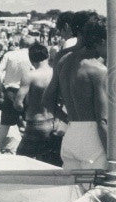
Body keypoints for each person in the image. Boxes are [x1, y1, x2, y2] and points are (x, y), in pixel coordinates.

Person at [44, 17, 108, 174]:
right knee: (98, 194)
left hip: (71, 133)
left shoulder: (65, 62)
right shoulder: (98, 70)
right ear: (101, 41)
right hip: (93, 140)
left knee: (74, 193)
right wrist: (114, 157)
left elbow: (47, 100)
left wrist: (68, 119)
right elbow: (103, 120)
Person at [14, 42, 62, 166]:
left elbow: (18, 103)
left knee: (20, 160)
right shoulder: (56, 73)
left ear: (31, 59)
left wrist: (22, 111)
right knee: (50, 161)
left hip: (36, 123)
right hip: (55, 122)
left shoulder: (30, 76)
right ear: (47, 56)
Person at [0, 39, 34, 152]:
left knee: (3, 129)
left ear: (19, 44)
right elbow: (34, 71)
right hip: (26, 92)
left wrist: (1, 86)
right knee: (30, 127)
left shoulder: (9, 54)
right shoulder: (30, 56)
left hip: (10, 91)